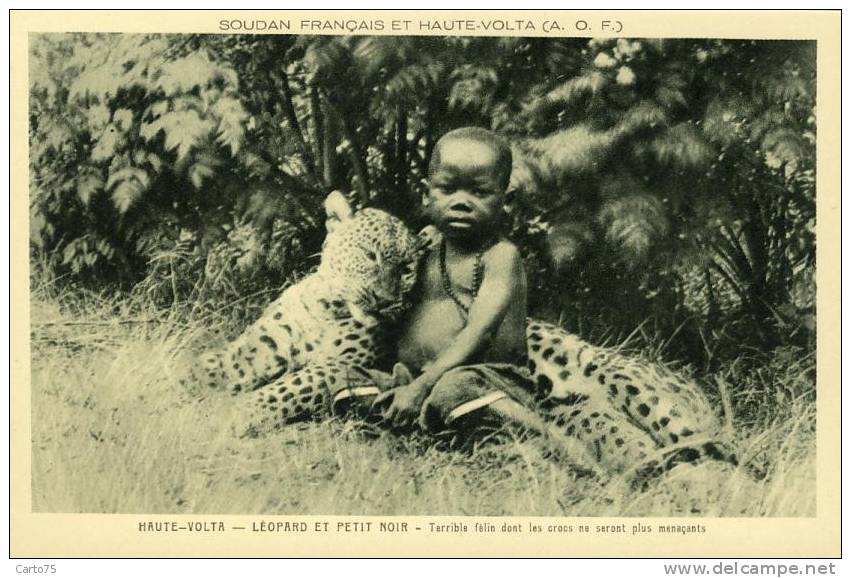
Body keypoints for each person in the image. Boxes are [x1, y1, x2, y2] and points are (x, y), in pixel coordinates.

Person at [373, 127, 576, 452]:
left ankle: (550, 444)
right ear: (428, 193)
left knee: (454, 389)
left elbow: (479, 333)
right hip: (415, 377)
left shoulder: (501, 256)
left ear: (505, 199)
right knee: (352, 379)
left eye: (478, 193)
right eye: (447, 189)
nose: (460, 203)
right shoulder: (425, 250)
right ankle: (427, 423)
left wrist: (425, 383)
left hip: (488, 378)